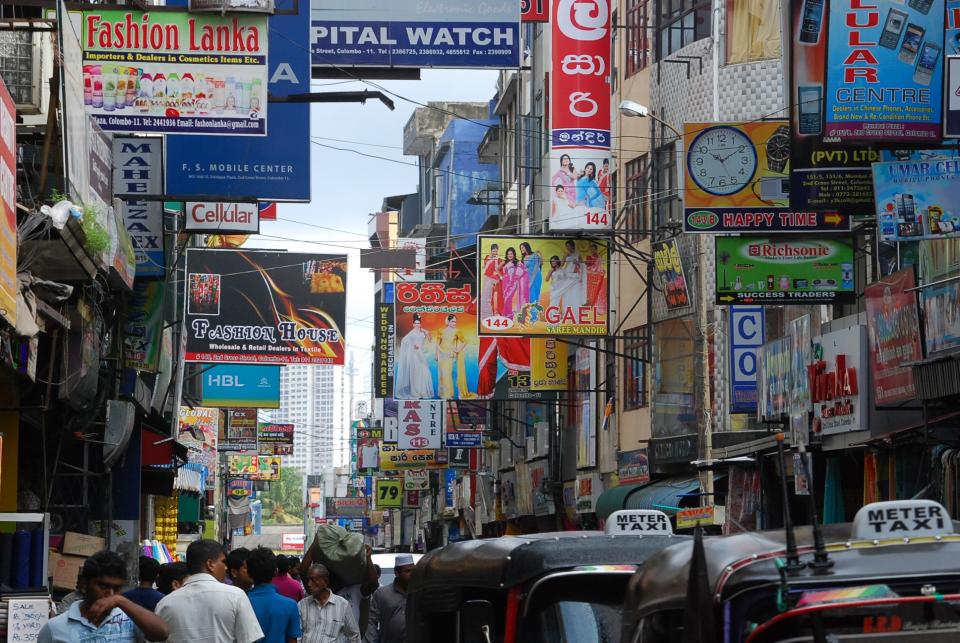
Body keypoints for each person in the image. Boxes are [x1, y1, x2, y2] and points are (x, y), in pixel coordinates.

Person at [38, 550, 169, 642]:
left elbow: (162, 633)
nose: (110, 595)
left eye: (117, 588)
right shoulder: (55, 628)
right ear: (84, 584)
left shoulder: (129, 619)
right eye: (104, 586)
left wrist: (121, 601)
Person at [155, 539, 264, 643]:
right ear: (210, 564)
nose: (226, 568)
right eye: (223, 562)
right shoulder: (236, 596)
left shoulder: (165, 603)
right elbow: (249, 639)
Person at [245, 547, 301, 643]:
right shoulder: (290, 605)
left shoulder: (241, 601)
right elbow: (292, 640)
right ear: (275, 572)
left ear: (249, 573)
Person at [298, 564, 360, 643]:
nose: (309, 584)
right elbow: (297, 635)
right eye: (308, 580)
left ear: (325, 581)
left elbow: (354, 636)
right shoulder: (302, 605)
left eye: (313, 580)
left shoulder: (342, 605)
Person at [365, 554, 416, 643]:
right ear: (396, 573)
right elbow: (371, 621)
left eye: (414, 571)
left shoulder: (419, 593)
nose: (412, 574)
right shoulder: (382, 594)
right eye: (407, 571)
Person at [393, 313, 435, 399]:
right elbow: (404, 341)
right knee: (416, 373)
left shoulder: (423, 332)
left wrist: (427, 332)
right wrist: (412, 346)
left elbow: (430, 340)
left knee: (425, 372)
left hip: (421, 354)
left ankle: (423, 392)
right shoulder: (411, 333)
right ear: (413, 324)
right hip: (414, 355)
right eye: (415, 323)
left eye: (418, 323)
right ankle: (416, 392)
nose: (417, 325)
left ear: (420, 324)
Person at [435, 314, 473, 399]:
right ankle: (442, 394)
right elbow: (437, 343)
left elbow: (465, 341)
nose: (454, 323)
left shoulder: (457, 331)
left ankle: (448, 395)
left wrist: (458, 350)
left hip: (449, 355)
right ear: (448, 322)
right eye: (452, 321)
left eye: (455, 322)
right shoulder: (441, 330)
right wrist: (436, 354)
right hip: (441, 355)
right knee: (441, 375)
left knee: (447, 374)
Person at [499, 247, 529, 319]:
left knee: (508, 299)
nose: (510, 255)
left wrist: (517, 276)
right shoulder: (504, 262)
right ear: (506, 255)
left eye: (511, 254)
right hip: (504, 283)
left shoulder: (517, 262)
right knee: (505, 299)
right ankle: (506, 315)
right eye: (508, 254)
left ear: (514, 254)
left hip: (513, 284)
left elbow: (525, 270)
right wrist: (500, 276)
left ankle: (509, 316)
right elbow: (497, 268)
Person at [480, 243, 504, 319]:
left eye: (496, 251)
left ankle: (495, 312)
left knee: (493, 296)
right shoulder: (487, 257)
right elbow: (484, 267)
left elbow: (499, 270)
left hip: (494, 279)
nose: (495, 253)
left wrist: (497, 274)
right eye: (493, 251)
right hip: (486, 278)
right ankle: (485, 314)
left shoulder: (499, 260)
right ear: (491, 251)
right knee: (485, 296)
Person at [585, 242, 608, 314]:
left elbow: (597, 269)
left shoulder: (598, 258)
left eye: (594, 249)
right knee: (590, 292)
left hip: (597, 278)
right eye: (591, 249)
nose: (592, 251)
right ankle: (591, 306)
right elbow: (588, 267)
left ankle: (599, 309)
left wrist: (589, 268)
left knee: (599, 293)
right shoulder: (590, 257)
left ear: (596, 250)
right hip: (591, 278)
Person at [520, 241, 543, 307]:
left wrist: (540, 254)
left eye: (522, 247)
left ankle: (535, 314)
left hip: (537, 276)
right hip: (529, 278)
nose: (521, 249)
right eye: (521, 248)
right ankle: (533, 314)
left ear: (526, 247)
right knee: (531, 295)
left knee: (536, 293)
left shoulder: (535, 255)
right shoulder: (523, 258)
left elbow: (541, 263)